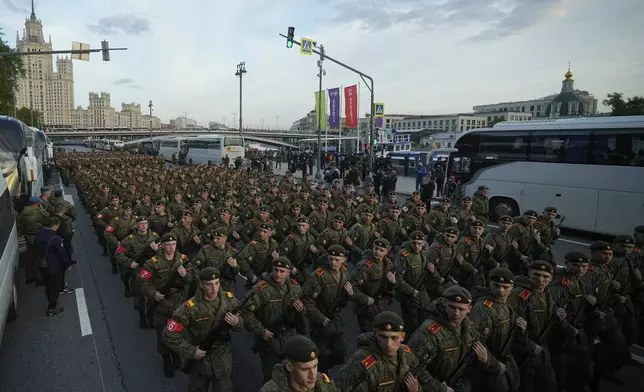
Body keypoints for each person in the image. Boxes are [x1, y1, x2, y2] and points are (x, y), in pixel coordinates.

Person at [163, 267, 244, 392]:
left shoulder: (229, 301)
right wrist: (191, 351)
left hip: (222, 361)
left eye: (216, 283)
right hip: (199, 363)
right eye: (209, 284)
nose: (214, 288)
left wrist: (237, 322)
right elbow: (169, 333)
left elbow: (242, 322)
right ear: (201, 284)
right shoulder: (189, 308)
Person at [335, 310, 422, 391]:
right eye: (383, 337)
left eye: (394, 337)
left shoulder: (408, 356)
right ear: (375, 333)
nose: (388, 344)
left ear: (402, 337)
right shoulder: (362, 362)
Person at [259, 335, 337, 391]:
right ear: (289, 366)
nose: (313, 375)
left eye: (315, 366)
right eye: (305, 369)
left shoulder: (320, 380)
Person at [34, 217, 73, 316]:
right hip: (54, 267)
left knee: (48, 285)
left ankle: (51, 302)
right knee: (55, 287)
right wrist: (67, 264)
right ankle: (52, 307)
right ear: (55, 225)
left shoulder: (38, 235)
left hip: (42, 265)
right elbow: (62, 253)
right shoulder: (55, 238)